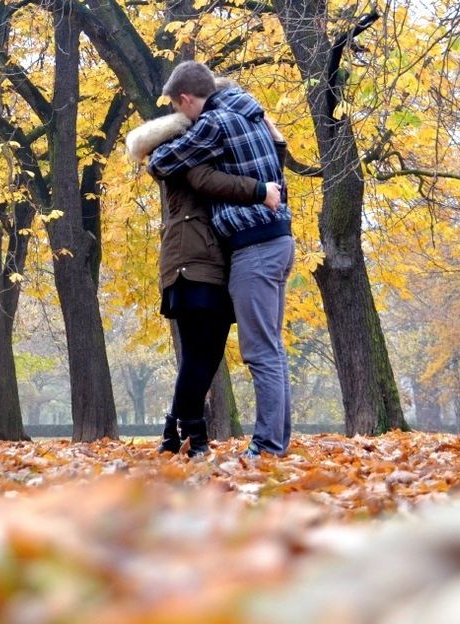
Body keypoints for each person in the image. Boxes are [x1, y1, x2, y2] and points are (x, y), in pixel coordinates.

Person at [148, 61, 295, 459]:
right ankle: (275, 443)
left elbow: (159, 163)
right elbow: (278, 153)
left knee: (260, 352)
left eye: (180, 109)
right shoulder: (252, 114)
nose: (183, 116)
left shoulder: (214, 123)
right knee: (272, 349)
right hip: (279, 241)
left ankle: (266, 447)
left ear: (186, 99)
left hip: (255, 247)